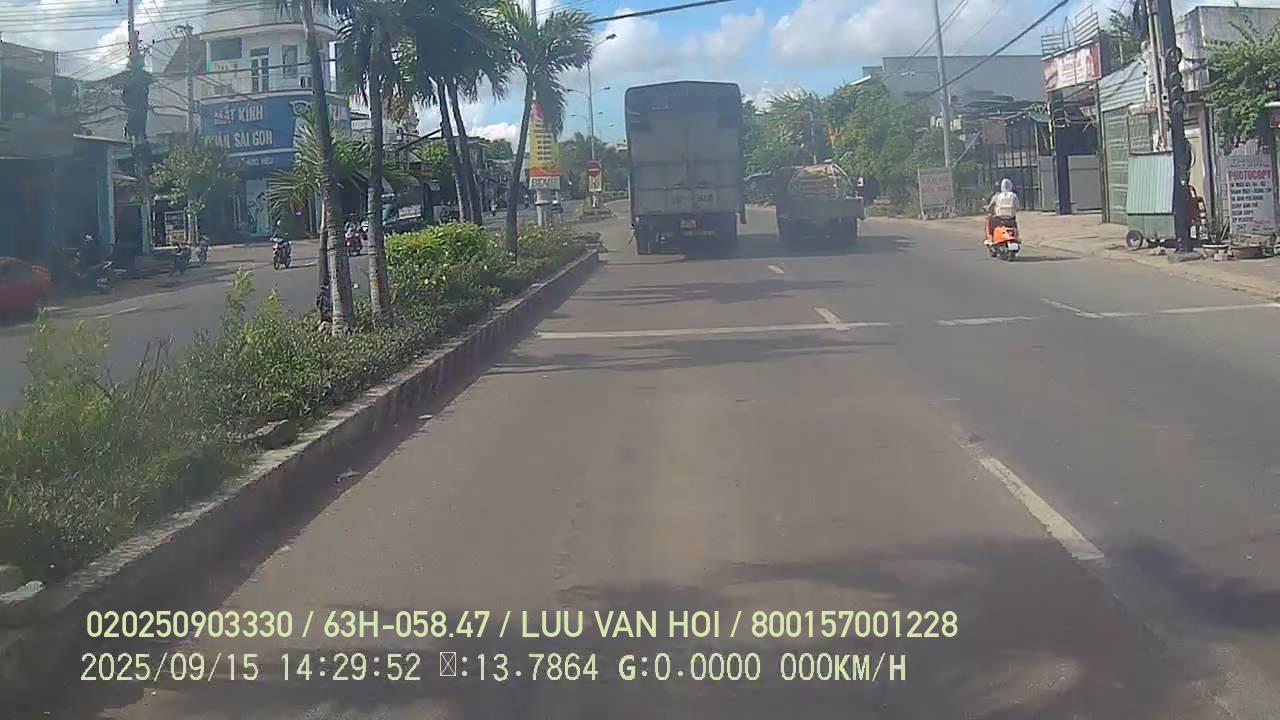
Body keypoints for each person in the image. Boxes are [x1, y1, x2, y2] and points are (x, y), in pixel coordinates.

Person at [985, 178, 1020, 244]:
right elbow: (1018, 207)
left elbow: (990, 206)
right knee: (1014, 223)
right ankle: (1016, 237)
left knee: (990, 220)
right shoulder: (1014, 196)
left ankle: (990, 238)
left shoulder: (997, 196)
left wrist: (988, 208)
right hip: (1011, 219)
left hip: (999, 219)